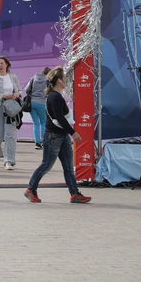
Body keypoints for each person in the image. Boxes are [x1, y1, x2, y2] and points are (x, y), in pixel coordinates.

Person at [25, 68, 92, 204]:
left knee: (68, 167)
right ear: (59, 81)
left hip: (62, 136)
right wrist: (73, 132)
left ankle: (74, 194)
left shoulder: (56, 96)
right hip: (53, 136)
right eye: (64, 78)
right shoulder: (54, 97)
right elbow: (60, 118)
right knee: (46, 165)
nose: (66, 81)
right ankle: (30, 189)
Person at [0, 56, 22, 170]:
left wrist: (17, 94)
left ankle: (9, 161)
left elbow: (19, 90)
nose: (0, 65)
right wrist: (3, 96)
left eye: (2, 63)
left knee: (10, 135)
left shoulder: (13, 77)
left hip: (10, 108)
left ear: (7, 64)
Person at [25, 67, 51, 149]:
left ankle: (37, 143)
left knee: (36, 123)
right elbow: (49, 92)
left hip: (32, 102)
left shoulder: (33, 78)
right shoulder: (48, 81)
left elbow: (26, 89)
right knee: (43, 122)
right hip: (42, 103)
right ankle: (44, 141)